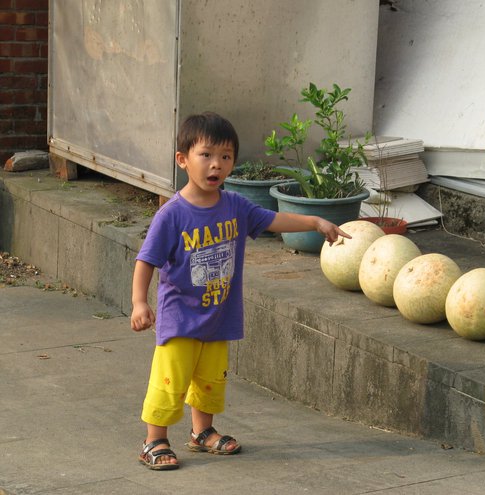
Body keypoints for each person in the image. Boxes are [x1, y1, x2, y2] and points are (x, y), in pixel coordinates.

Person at [130, 111, 350, 470]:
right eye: (207, 155)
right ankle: (154, 440)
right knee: (170, 383)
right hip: (181, 318)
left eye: (226, 156)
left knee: (210, 381)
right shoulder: (171, 215)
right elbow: (146, 260)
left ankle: (202, 433)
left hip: (219, 316)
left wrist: (314, 220)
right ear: (183, 159)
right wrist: (140, 302)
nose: (216, 164)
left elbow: (274, 220)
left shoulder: (235, 206)